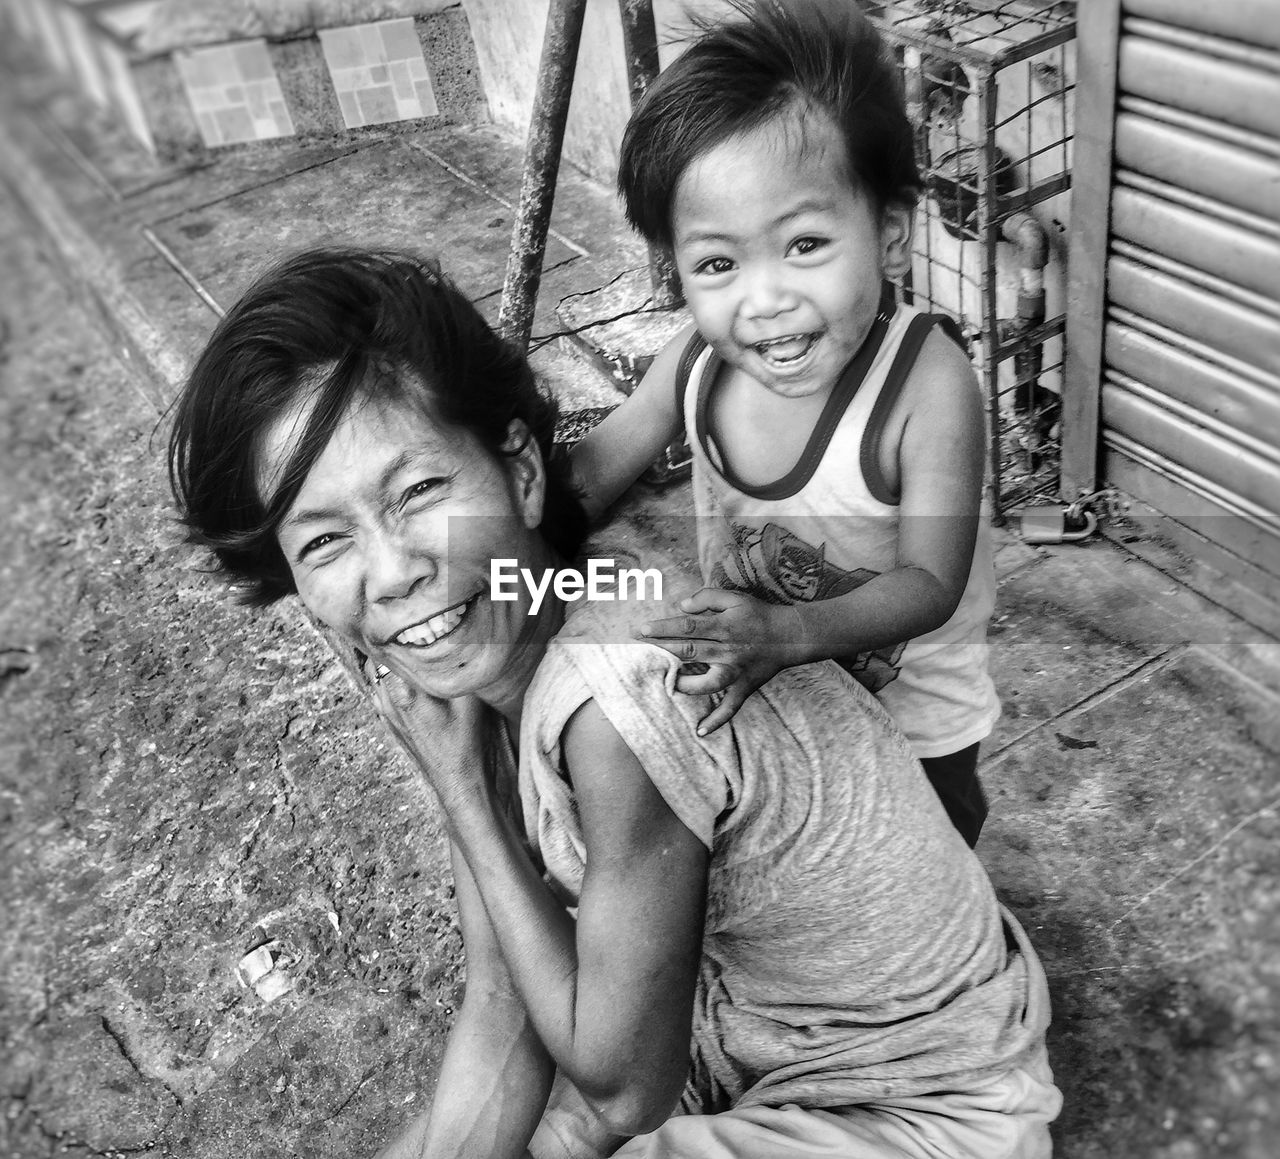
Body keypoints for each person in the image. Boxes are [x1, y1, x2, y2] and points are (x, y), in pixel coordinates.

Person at [168, 247, 1059, 1158]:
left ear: (519, 472)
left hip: (916, 1103)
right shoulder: (488, 653)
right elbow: (501, 997)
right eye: (323, 542)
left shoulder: (613, 700)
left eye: (421, 491)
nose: (393, 574)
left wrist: (465, 797)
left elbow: (628, 1088)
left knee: (594, 1085)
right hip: (754, 1050)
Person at [571, 0, 998, 846]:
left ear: (889, 237)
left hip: (911, 733)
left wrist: (789, 631)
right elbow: (594, 471)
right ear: (679, 273)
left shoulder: (927, 386)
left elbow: (930, 582)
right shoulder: (695, 362)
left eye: (804, 244)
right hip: (763, 685)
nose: (764, 300)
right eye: (720, 263)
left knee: (904, 896)